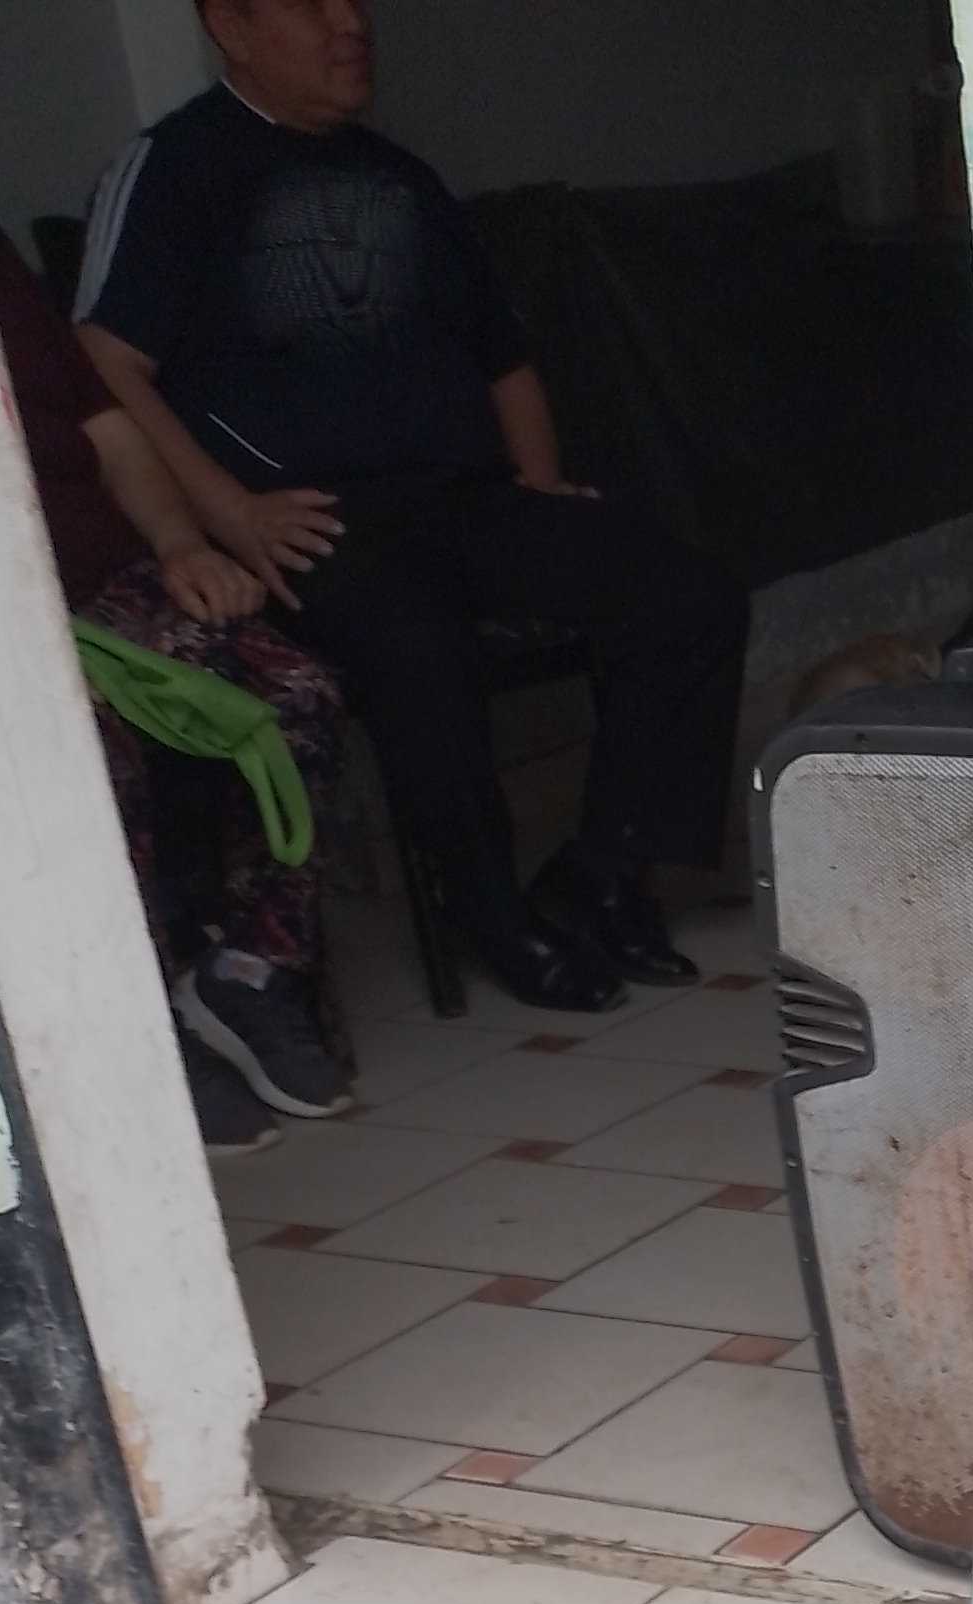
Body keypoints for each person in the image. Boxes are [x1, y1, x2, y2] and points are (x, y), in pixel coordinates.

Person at [73, 0, 749, 1015]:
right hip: (314, 519)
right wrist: (229, 514)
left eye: (354, 0)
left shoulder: (402, 178)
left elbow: (504, 358)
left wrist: (537, 481)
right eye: (311, 4)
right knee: (416, 647)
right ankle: (490, 911)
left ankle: (603, 871)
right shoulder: (174, 168)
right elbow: (103, 359)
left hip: (465, 495)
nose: (349, 23)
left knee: (686, 591)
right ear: (231, 26)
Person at [0, 0, 350, 1149]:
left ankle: (248, 971)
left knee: (293, 693)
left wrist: (180, 545)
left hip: (100, 577)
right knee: (85, 754)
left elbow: (108, 427)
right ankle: (136, 1024)